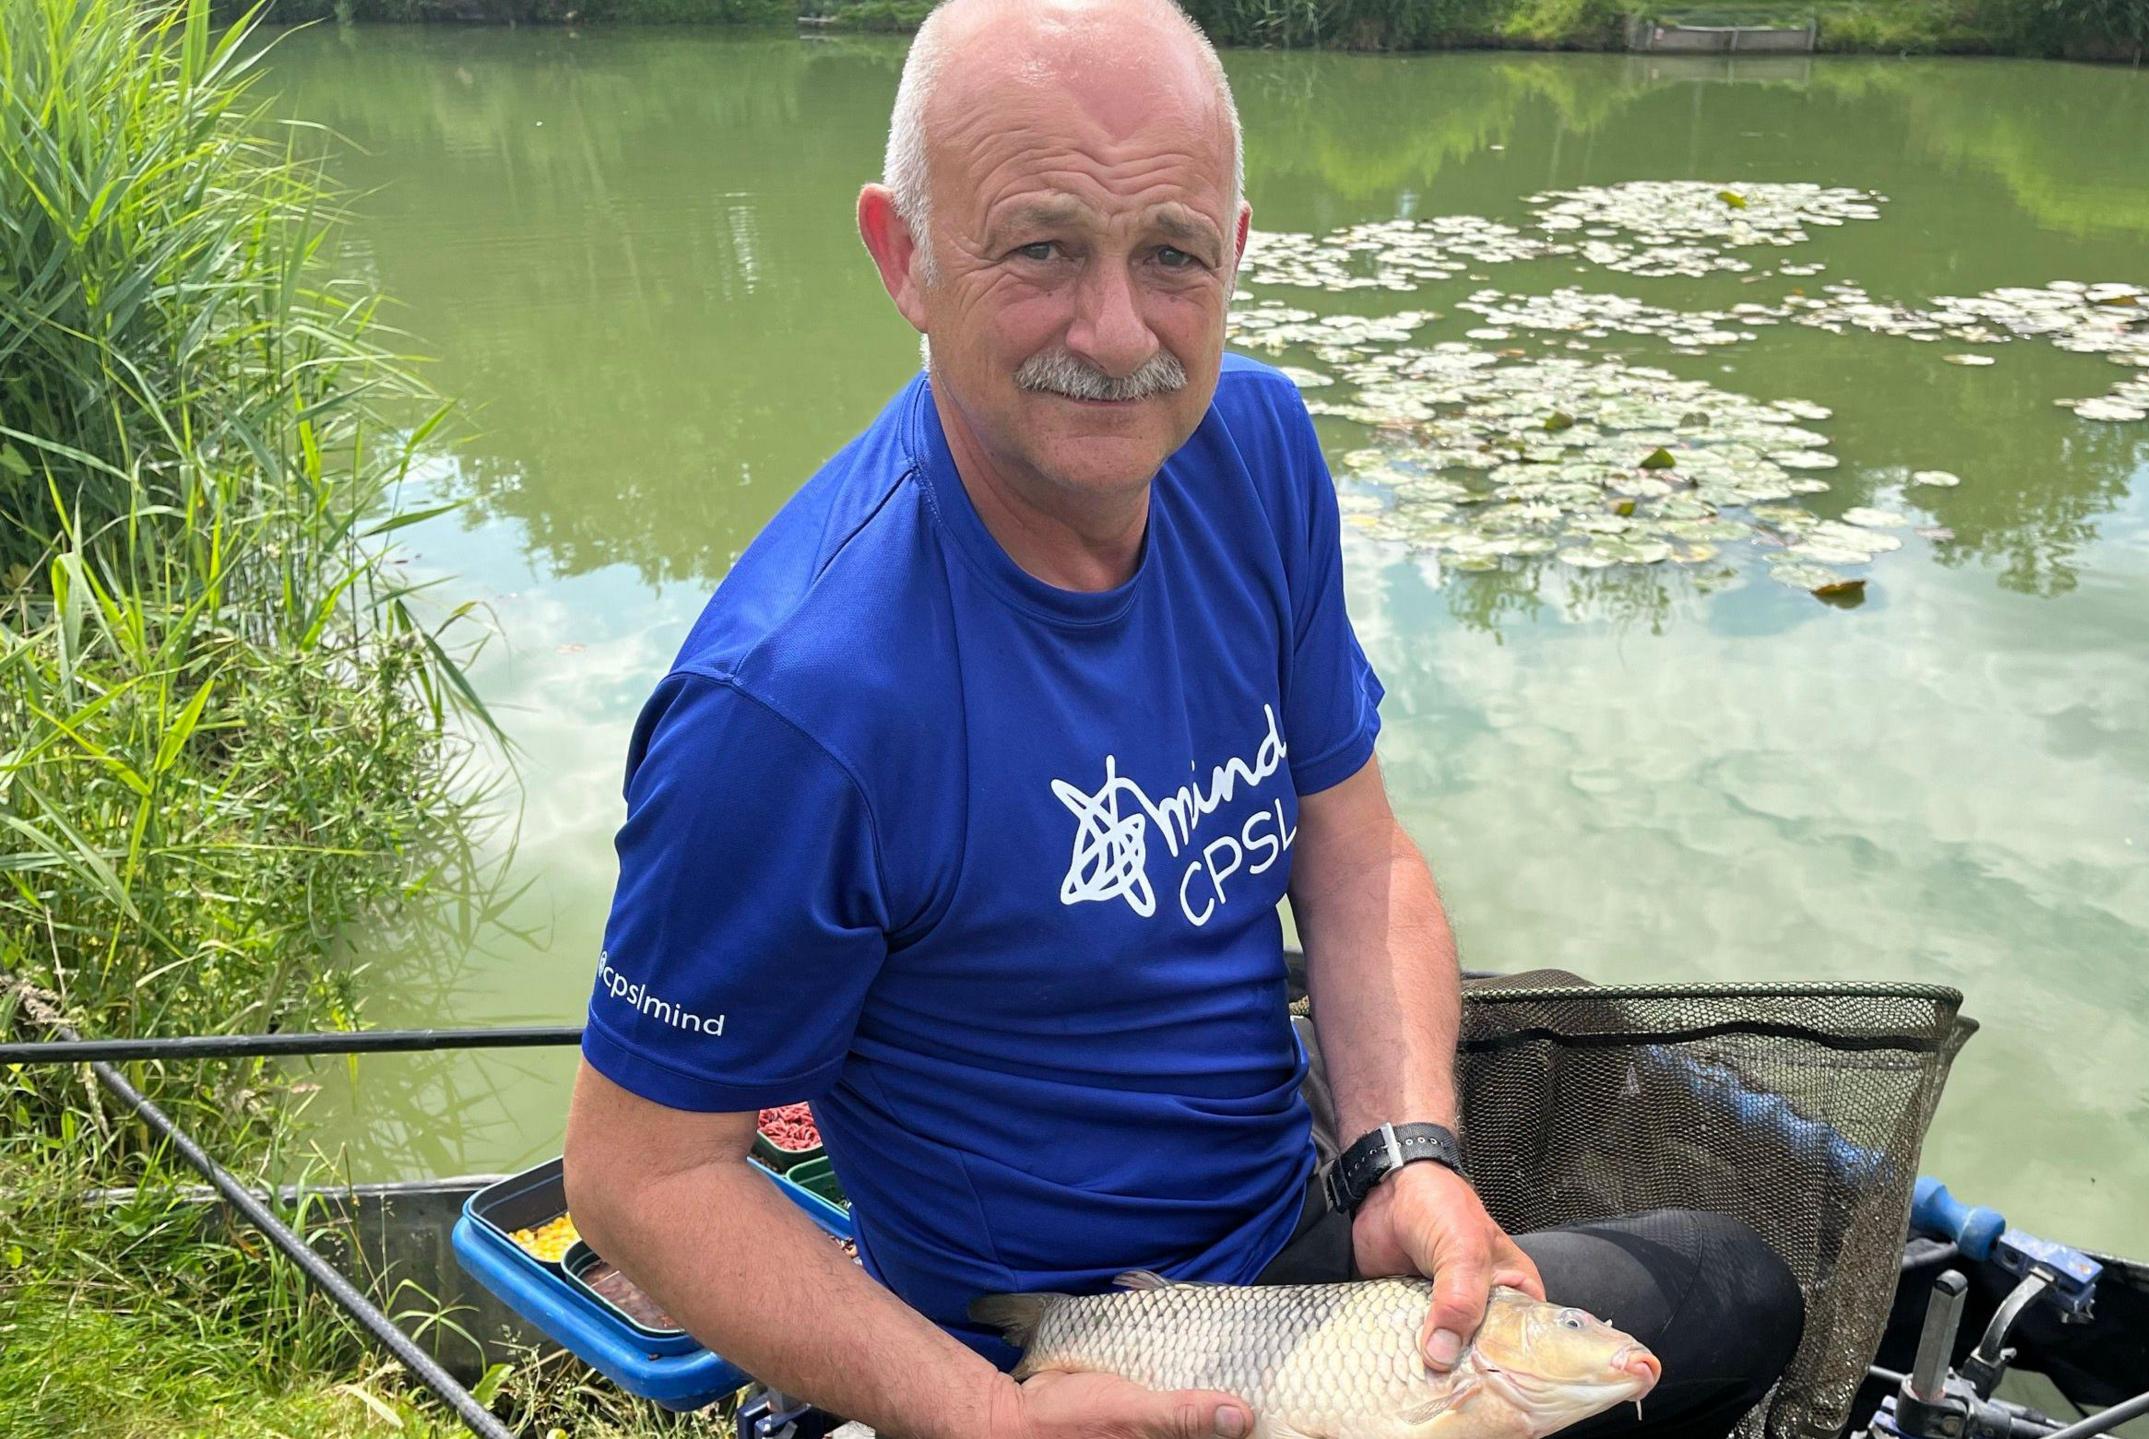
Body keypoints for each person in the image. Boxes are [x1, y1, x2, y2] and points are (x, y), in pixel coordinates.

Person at [560, 2, 1803, 1435]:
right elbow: (643, 1174)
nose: (1117, 331)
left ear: (1237, 251)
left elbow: (1357, 859)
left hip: (1300, 1252)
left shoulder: (1257, 451)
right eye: (1038, 249)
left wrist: (1403, 1156)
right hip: (1039, 1346)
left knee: (1735, 1286)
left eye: (1171, 255)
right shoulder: (792, 703)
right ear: (901, 254)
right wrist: (977, 1417)